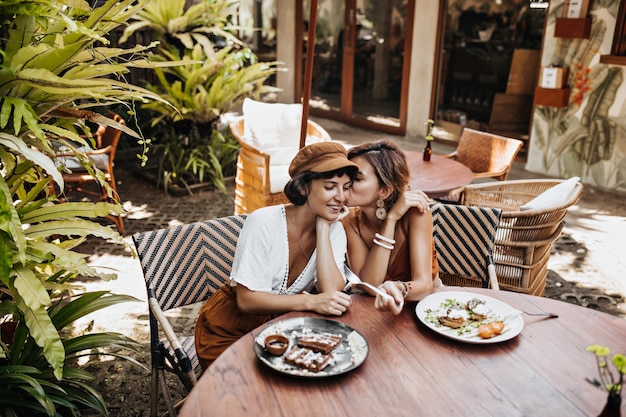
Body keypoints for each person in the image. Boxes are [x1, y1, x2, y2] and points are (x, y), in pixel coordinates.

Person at [195, 142, 358, 370]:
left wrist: (323, 229)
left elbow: (330, 291)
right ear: (303, 188)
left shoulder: (335, 230)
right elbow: (246, 300)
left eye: (347, 187)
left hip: (283, 330)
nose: (342, 197)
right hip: (229, 330)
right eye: (330, 187)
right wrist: (309, 301)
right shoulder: (264, 222)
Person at [341, 140, 441, 316]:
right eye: (347, 176)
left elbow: (424, 285)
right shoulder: (349, 221)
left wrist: (398, 288)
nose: (346, 183)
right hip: (376, 310)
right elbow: (371, 284)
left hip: (425, 308)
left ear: (384, 191)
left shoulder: (416, 214)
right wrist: (390, 220)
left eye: (357, 178)